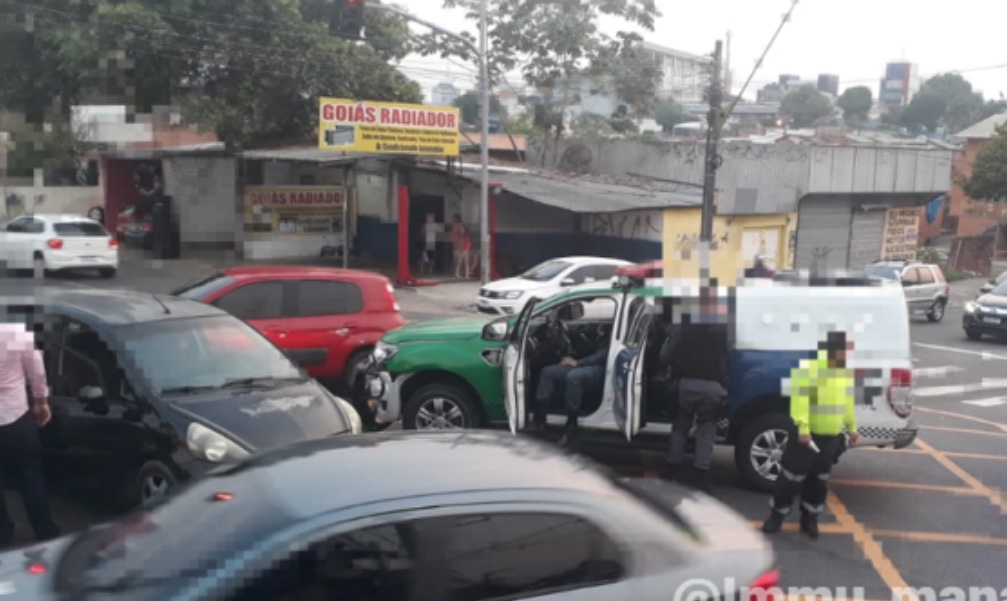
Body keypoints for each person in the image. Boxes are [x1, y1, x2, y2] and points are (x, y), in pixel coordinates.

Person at [762, 331, 859, 539]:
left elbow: (848, 403)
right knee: (790, 478)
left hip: (830, 438)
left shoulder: (844, 374)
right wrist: (804, 430)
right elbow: (800, 403)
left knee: (819, 481)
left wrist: (852, 428)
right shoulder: (809, 370)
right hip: (807, 437)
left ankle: (809, 517)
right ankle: (777, 515)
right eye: (844, 350)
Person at [662, 287, 732, 494]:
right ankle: (701, 477)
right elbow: (729, 352)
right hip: (712, 386)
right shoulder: (723, 325)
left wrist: (664, 368)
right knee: (706, 433)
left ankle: (672, 469)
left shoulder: (684, 323)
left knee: (680, 428)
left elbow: (670, 349)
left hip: (687, 383)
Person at [0, 316, 59, 547]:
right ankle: (44, 529)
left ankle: (3, 532)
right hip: (16, 419)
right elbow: (37, 370)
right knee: (30, 476)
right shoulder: (15, 333)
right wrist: (41, 401)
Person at [529, 320, 611, 446]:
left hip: (604, 367)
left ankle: (571, 424)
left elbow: (604, 355)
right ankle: (540, 419)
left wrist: (578, 363)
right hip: (587, 362)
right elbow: (588, 345)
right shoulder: (599, 328)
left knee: (574, 377)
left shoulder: (613, 328)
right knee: (548, 372)